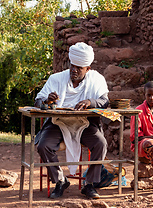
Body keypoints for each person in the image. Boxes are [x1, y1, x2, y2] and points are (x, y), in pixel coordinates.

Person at [34, 42, 109, 199]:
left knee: (100, 143)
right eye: (72, 66)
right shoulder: (56, 79)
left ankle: (89, 184)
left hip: (85, 123)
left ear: (88, 69)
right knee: (43, 145)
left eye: (79, 68)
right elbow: (37, 101)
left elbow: (104, 102)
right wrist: (47, 101)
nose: (74, 70)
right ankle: (60, 181)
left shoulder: (97, 80)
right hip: (58, 123)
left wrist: (90, 102)